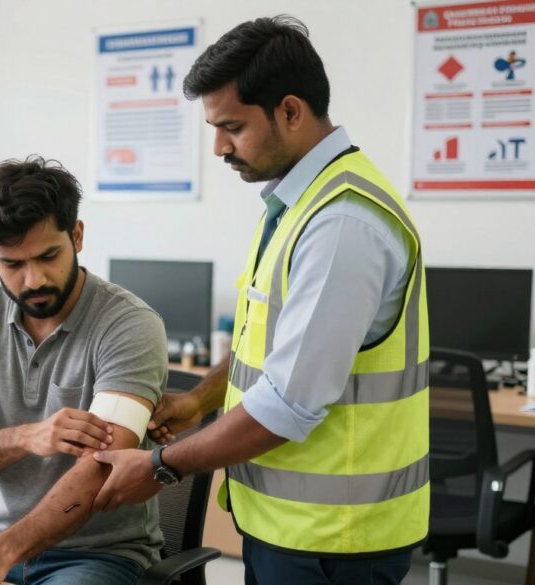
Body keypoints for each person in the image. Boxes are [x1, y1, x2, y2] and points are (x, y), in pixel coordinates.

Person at [92, 16, 429, 585]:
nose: (220, 147)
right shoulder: (297, 203)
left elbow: (285, 406)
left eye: (232, 127)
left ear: (291, 112)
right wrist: (199, 400)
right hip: (291, 526)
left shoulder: (340, 223)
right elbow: (267, 345)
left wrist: (159, 467)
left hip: (332, 541)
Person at [0, 156, 167, 585]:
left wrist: (0, 555)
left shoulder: (129, 324)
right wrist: (28, 436)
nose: (34, 280)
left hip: (99, 556)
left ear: (76, 236)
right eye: (13, 265)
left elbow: (101, 470)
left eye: (48, 256)